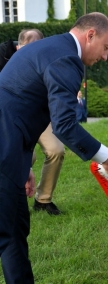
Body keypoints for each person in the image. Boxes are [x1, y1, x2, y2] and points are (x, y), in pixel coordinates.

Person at [0, 12, 108, 284]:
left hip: (10, 151)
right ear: (90, 34)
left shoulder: (51, 47)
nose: (105, 57)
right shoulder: (66, 60)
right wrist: (105, 155)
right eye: (105, 48)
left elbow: (17, 105)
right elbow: (65, 124)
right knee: (8, 236)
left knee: (15, 233)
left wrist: (22, 162)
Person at [16, 29, 65, 216]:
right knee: (27, 156)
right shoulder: (7, 62)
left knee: (56, 150)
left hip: (41, 117)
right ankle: (16, 198)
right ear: (19, 48)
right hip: (16, 119)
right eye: (30, 47)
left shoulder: (50, 63)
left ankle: (43, 200)